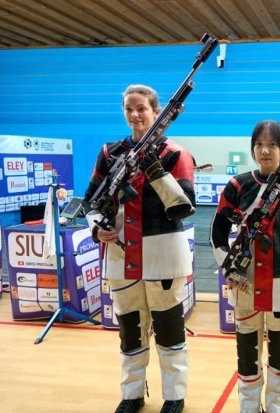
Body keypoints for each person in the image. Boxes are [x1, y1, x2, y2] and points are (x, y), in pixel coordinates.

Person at [83, 84, 196, 413]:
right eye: (129, 109)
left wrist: (154, 168)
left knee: (169, 329)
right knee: (130, 330)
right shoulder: (109, 153)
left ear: (156, 112)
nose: (135, 115)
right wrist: (97, 228)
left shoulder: (175, 153)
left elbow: (185, 205)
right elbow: (90, 201)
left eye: (142, 108)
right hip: (121, 255)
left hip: (164, 256)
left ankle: (174, 396)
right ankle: (132, 394)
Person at [210, 120, 280, 413]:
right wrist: (229, 269)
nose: (265, 151)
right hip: (245, 281)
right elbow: (217, 233)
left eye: (272, 145)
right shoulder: (238, 185)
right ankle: (249, 407)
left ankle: (277, 407)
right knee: (247, 353)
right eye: (259, 144)